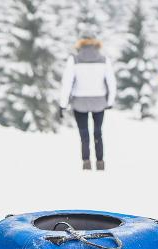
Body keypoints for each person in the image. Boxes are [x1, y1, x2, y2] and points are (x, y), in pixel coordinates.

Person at [60, 34, 116, 171]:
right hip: (99, 101)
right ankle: (100, 162)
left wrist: (63, 104)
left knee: (84, 133)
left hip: (79, 101)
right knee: (98, 132)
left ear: (80, 44)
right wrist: (110, 101)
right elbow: (111, 82)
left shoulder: (74, 59)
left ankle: (86, 162)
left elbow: (67, 83)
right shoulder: (104, 60)